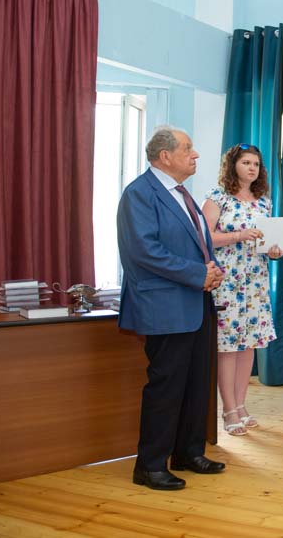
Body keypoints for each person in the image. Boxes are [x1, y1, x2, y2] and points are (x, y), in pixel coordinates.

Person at [117, 126, 226, 491]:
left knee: (196, 383)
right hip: (165, 306)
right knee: (167, 386)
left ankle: (188, 453)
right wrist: (198, 274)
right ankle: (149, 466)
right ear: (165, 156)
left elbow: (198, 244)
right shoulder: (140, 194)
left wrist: (212, 269)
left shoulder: (183, 194)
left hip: (196, 302)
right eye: (187, 148)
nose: (195, 154)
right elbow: (144, 251)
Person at [200, 144, 283, 436]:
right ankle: (228, 409)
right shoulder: (218, 196)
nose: (252, 168)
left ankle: (241, 404)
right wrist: (238, 235)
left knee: (249, 345)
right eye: (246, 162)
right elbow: (203, 237)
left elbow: (266, 242)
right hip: (227, 281)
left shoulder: (263, 203)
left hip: (256, 281)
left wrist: (274, 250)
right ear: (233, 164)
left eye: (256, 164)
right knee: (228, 347)